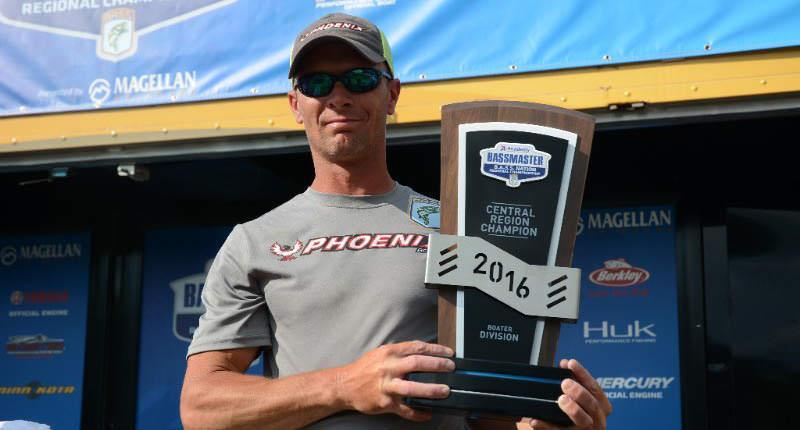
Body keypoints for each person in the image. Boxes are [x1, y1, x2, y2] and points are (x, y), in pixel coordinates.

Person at [180, 13, 611, 430]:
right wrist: (344, 387)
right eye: (316, 83)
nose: (339, 95)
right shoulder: (255, 242)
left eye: (360, 78)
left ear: (392, 94)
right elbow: (202, 409)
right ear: (296, 104)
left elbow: (491, 414)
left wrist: (552, 422)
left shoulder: (458, 229)